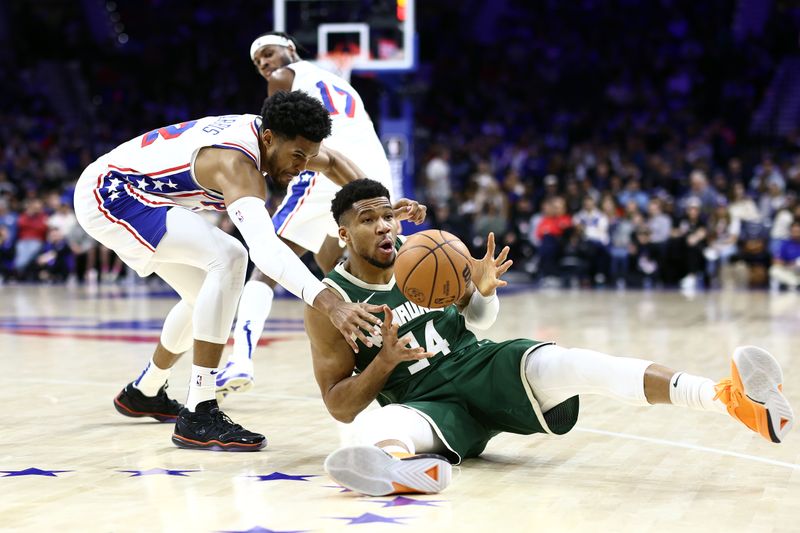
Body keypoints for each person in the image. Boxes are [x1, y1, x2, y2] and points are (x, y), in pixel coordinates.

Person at [305, 179, 794, 496]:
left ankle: (732, 400)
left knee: (579, 362)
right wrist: (383, 362)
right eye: (367, 220)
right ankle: (396, 468)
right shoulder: (331, 302)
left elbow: (476, 323)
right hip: (425, 406)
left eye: (387, 214)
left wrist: (483, 292)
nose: (384, 226)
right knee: (372, 427)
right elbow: (338, 404)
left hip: (482, 367)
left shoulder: (428, 252)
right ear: (344, 235)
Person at [73, 91, 401, 451]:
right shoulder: (236, 164)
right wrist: (331, 303)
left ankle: (145, 390)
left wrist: (383, 206)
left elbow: (334, 161)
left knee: (204, 296)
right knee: (230, 258)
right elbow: (266, 250)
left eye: (308, 157)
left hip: (145, 192)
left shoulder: (285, 139)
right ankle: (199, 410)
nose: (301, 166)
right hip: (112, 192)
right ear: (268, 139)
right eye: (297, 157)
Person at [215, 31, 411, 398]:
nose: (266, 65)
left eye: (269, 54)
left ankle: (240, 358)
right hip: (374, 171)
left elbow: (274, 133)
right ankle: (386, 345)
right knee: (334, 264)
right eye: (259, 63)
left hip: (325, 165)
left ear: (290, 49)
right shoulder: (339, 82)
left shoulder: (283, 78)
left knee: (267, 262)